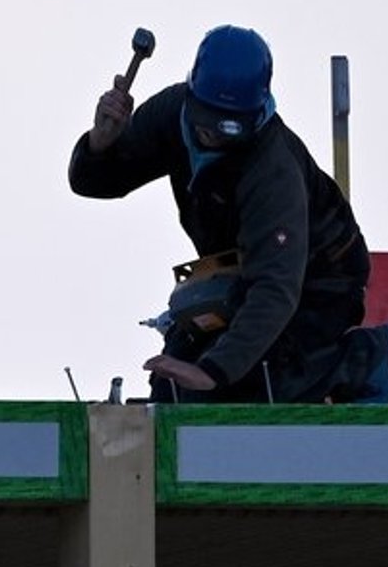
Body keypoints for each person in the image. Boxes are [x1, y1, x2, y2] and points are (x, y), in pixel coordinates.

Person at [69, 24, 371, 403]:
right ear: (192, 97)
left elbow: (275, 289)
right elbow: (97, 183)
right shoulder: (170, 114)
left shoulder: (273, 170)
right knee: (172, 386)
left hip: (320, 284)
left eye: (232, 129)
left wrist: (214, 372)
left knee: (249, 385)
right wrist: (101, 143)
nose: (215, 137)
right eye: (208, 122)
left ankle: (358, 363)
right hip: (239, 270)